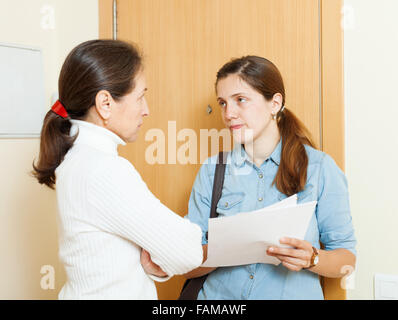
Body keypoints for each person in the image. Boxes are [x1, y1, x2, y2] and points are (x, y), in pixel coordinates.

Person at [32, 39, 203, 299]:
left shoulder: (77, 159)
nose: (146, 110)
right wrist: (170, 252)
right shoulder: (104, 170)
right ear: (105, 104)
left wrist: (155, 265)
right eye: (141, 97)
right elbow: (188, 251)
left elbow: (110, 257)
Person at [184, 56, 356, 300]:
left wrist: (312, 258)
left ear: (274, 103)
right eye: (222, 103)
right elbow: (186, 264)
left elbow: (346, 259)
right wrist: (223, 250)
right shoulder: (213, 170)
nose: (229, 113)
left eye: (240, 100)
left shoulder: (319, 168)